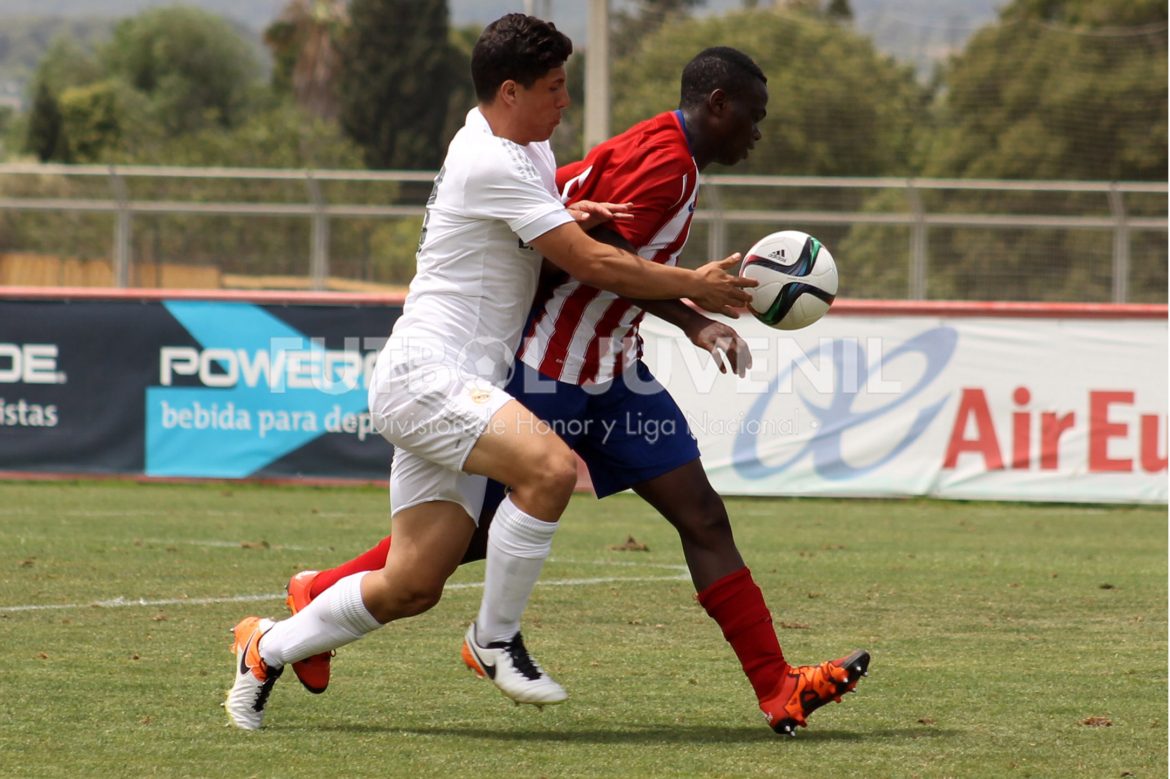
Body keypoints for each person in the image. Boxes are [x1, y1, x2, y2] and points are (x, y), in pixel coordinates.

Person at [282, 47, 869, 736]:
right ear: (718, 105)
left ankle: (778, 687)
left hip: (615, 375)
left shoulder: (667, 154)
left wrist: (695, 323)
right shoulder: (666, 164)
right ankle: (319, 594)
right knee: (457, 541)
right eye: (753, 116)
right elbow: (595, 263)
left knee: (703, 516)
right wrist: (695, 301)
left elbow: (597, 236)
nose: (757, 131)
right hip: (547, 373)